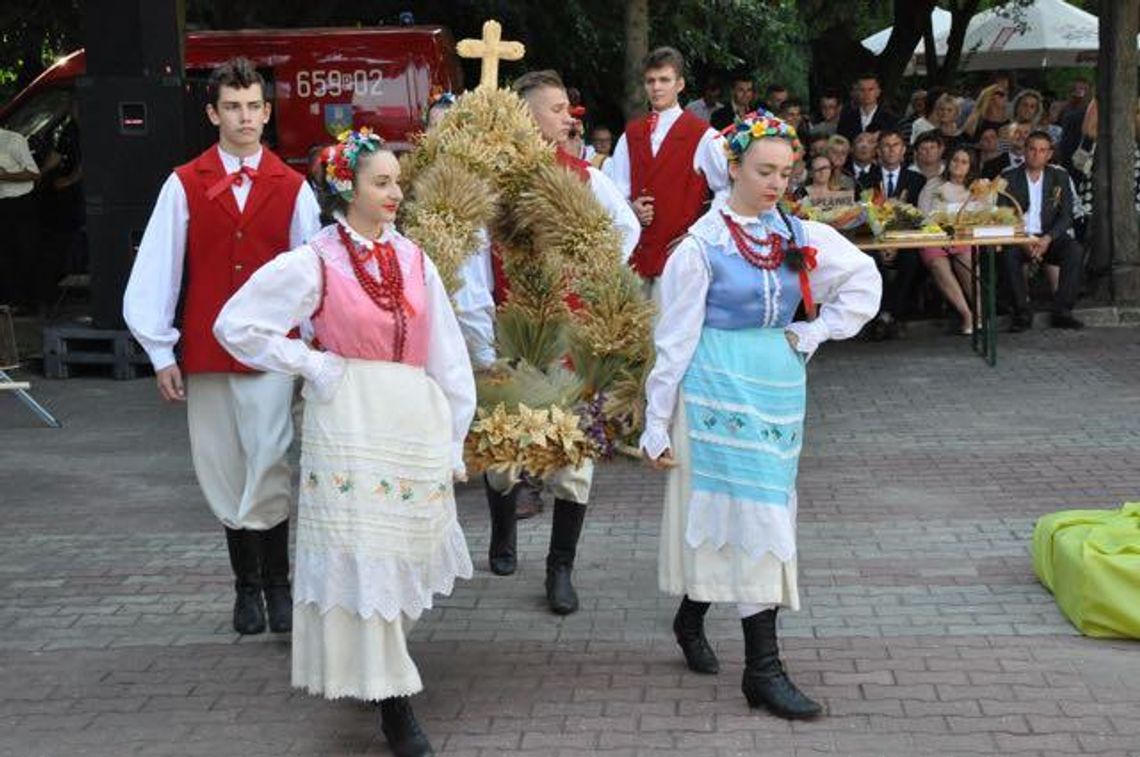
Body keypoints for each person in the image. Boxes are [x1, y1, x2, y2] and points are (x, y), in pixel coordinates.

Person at [214, 129, 473, 757]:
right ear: (345, 188)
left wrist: (454, 431)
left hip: (408, 416)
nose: (394, 192)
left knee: (404, 552)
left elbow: (447, 353)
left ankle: (374, 664)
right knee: (367, 553)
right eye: (380, 182)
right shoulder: (317, 260)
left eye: (396, 181)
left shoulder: (415, 259)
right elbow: (235, 324)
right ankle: (393, 699)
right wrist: (309, 362)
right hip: (350, 417)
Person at [639, 110, 880, 721]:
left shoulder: (797, 235)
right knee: (750, 520)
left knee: (759, 517)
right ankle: (763, 670)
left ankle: (693, 614)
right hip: (715, 388)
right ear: (734, 169)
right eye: (764, 170)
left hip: (776, 387)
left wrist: (814, 332)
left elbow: (862, 279)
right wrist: (655, 419)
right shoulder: (701, 246)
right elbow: (673, 339)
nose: (776, 183)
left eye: (785, 172)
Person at [123, 57, 321, 636]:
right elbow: (157, 269)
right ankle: (246, 588)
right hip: (209, 352)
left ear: (266, 111)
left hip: (270, 352)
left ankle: (278, 587)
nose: (244, 117)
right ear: (213, 113)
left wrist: (312, 351)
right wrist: (161, 351)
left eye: (253, 106)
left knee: (270, 461)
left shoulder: (292, 186)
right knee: (222, 467)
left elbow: (312, 276)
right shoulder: (184, 182)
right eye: (232, 107)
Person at [463, 69, 640, 614]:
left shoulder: (587, 178)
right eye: (558, 108)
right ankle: (503, 531)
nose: (570, 117)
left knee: (574, 458)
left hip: (570, 337)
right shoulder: (488, 184)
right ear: (526, 116)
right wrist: (482, 340)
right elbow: (472, 268)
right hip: (511, 333)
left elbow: (626, 231)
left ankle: (560, 566)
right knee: (502, 447)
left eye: (570, 108)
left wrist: (590, 284)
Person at [605, 47, 729, 283]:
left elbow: (730, 191)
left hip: (682, 260)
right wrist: (631, 208)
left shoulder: (704, 136)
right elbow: (616, 193)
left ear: (679, 84)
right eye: (650, 81)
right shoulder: (630, 135)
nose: (656, 87)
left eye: (664, 80)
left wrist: (699, 234)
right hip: (635, 259)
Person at [999, 131, 1084, 332]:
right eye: (1032, 149)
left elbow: (1066, 216)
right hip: (1020, 237)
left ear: (1049, 154)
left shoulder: (1059, 176)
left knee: (1074, 251)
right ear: (1025, 151)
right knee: (1008, 255)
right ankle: (1021, 313)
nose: (1037, 154)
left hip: (1048, 236)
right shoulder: (1008, 176)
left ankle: (1062, 311)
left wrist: (1047, 239)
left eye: (1042, 150)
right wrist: (1023, 241)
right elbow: (1001, 216)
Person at [859, 129, 926, 339]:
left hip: (906, 241)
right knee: (871, 262)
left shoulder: (916, 180)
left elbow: (920, 218)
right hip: (874, 241)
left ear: (904, 150)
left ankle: (888, 314)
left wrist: (896, 244)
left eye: (895, 145)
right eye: (886, 145)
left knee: (912, 261)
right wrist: (882, 244)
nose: (891, 150)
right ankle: (882, 314)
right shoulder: (865, 179)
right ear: (878, 151)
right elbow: (863, 217)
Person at [916, 147, 982, 334]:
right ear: (948, 162)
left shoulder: (976, 188)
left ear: (971, 166)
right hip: (934, 238)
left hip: (963, 238)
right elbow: (923, 215)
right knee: (939, 266)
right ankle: (966, 314)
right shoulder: (934, 184)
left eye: (964, 162)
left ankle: (980, 313)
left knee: (967, 264)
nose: (958, 165)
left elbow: (982, 215)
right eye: (955, 160)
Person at [0, 125, 41, 311]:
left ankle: (29, 301)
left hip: (20, 200)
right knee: (5, 252)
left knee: (24, 249)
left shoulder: (13, 139)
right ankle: (10, 299)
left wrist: (5, 175)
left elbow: (33, 173)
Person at [837, 73, 896, 143]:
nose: (866, 93)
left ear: (878, 92)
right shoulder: (847, 118)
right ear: (857, 92)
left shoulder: (890, 118)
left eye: (871, 89)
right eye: (862, 90)